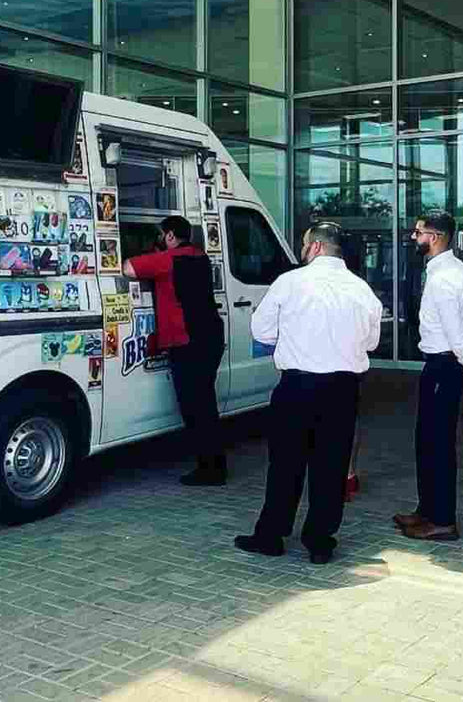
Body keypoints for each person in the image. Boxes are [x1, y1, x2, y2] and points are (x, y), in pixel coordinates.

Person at [234, 223, 383, 565]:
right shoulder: (362, 290)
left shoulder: (290, 282)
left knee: (286, 464)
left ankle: (271, 536)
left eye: (304, 244)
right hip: (343, 389)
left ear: (315, 247)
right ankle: (320, 542)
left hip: (297, 386)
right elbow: (372, 342)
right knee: (331, 467)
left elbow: (261, 330)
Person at [394, 211, 463, 542]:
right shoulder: (455, 270)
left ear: (434, 237)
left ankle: (443, 520)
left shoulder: (444, 278)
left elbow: (456, 331)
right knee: (428, 441)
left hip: (443, 365)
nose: (414, 237)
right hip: (446, 364)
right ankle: (427, 510)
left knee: (436, 444)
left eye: (418, 232)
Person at [124, 215, 227, 486]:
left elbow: (128, 268)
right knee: (205, 405)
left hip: (187, 342)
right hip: (209, 337)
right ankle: (214, 465)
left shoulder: (167, 260)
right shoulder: (199, 256)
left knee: (194, 407)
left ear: (170, 236)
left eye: (161, 236)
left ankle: (210, 471)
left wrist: (148, 254)